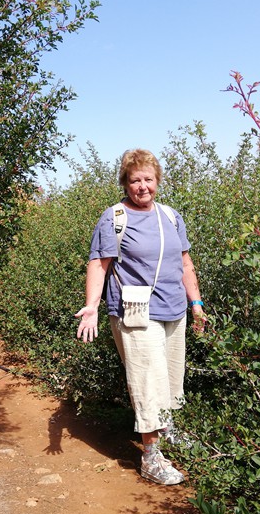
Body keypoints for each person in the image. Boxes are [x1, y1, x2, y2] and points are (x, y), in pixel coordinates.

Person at [75, 148, 206, 485]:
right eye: (135, 180)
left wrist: (196, 304)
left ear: (157, 181)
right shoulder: (114, 218)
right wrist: (92, 306)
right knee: (149, 383)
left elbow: (185, 263)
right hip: (135, 313)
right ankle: (151, 458)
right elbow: (98, 265)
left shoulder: (171, 216)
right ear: (125, 183)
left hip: (174, 309)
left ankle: (168, 434)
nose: (143, 186)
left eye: (149, 179)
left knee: (171, 382)